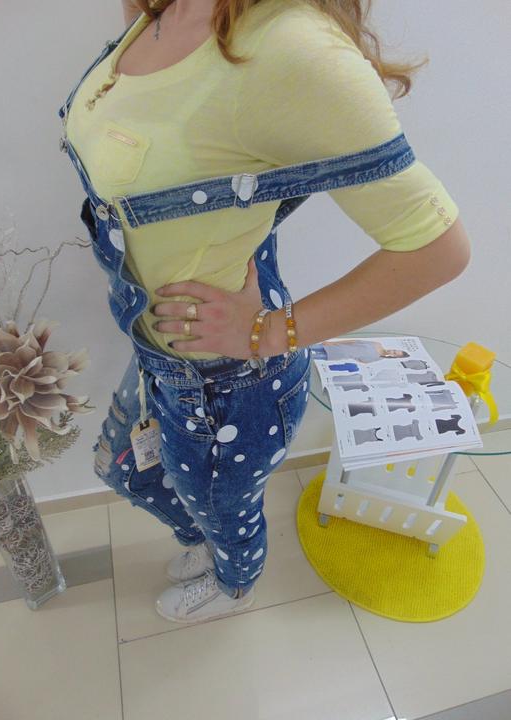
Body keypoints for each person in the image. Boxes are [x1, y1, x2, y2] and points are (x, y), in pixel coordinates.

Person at [59, 0, 471, 625]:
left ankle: (234, 584)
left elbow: (437, 248)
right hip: (156, 350)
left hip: (224, 383)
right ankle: (206, 539)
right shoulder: (159, 9)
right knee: (124, 470)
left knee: (227, 514)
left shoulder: (292, 47)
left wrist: (269, 332)